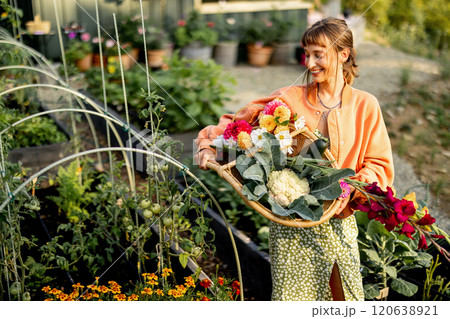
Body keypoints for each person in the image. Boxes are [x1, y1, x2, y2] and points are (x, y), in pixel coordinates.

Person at [194, 17, 394, 301]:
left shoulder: (365, 105)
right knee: (292, 299)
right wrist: (206, 145)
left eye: (318, 54)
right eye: (307, 54)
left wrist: (351, 187)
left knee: (344, 299)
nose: (310, 63)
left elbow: (379, 165)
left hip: (338, 220)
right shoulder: (288, 98)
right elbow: (235, 124)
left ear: (343, 54)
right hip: (291, 220)